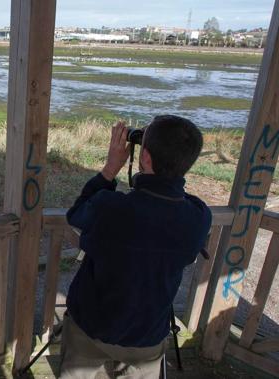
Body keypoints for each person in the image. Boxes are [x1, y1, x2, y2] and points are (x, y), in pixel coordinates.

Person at [60, 115, 212, 379]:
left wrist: (110, 168)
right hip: (148, 335)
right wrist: (166, 171)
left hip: (92, 327)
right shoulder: (198, 216)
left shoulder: (111, 207)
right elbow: (171, 199)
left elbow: (76, 214)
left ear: (146, 158)